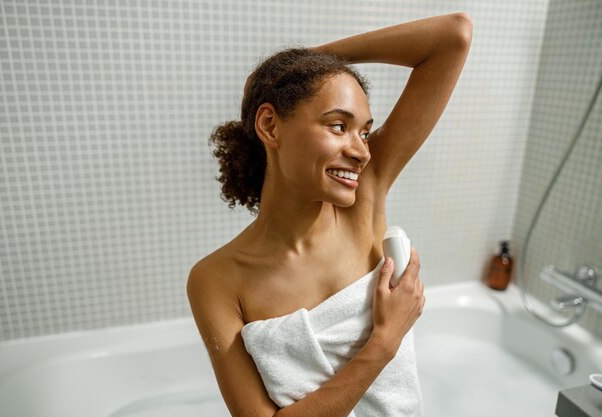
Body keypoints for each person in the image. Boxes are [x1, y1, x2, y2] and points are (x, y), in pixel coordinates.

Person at [187, 12, 472, 417]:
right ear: (270, 125)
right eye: (339, 126)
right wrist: (383, 343)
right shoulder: (216, 281)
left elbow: (453, 36)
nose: (361, 151)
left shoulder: (364, 203)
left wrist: (303, 64)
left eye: (365, 132)